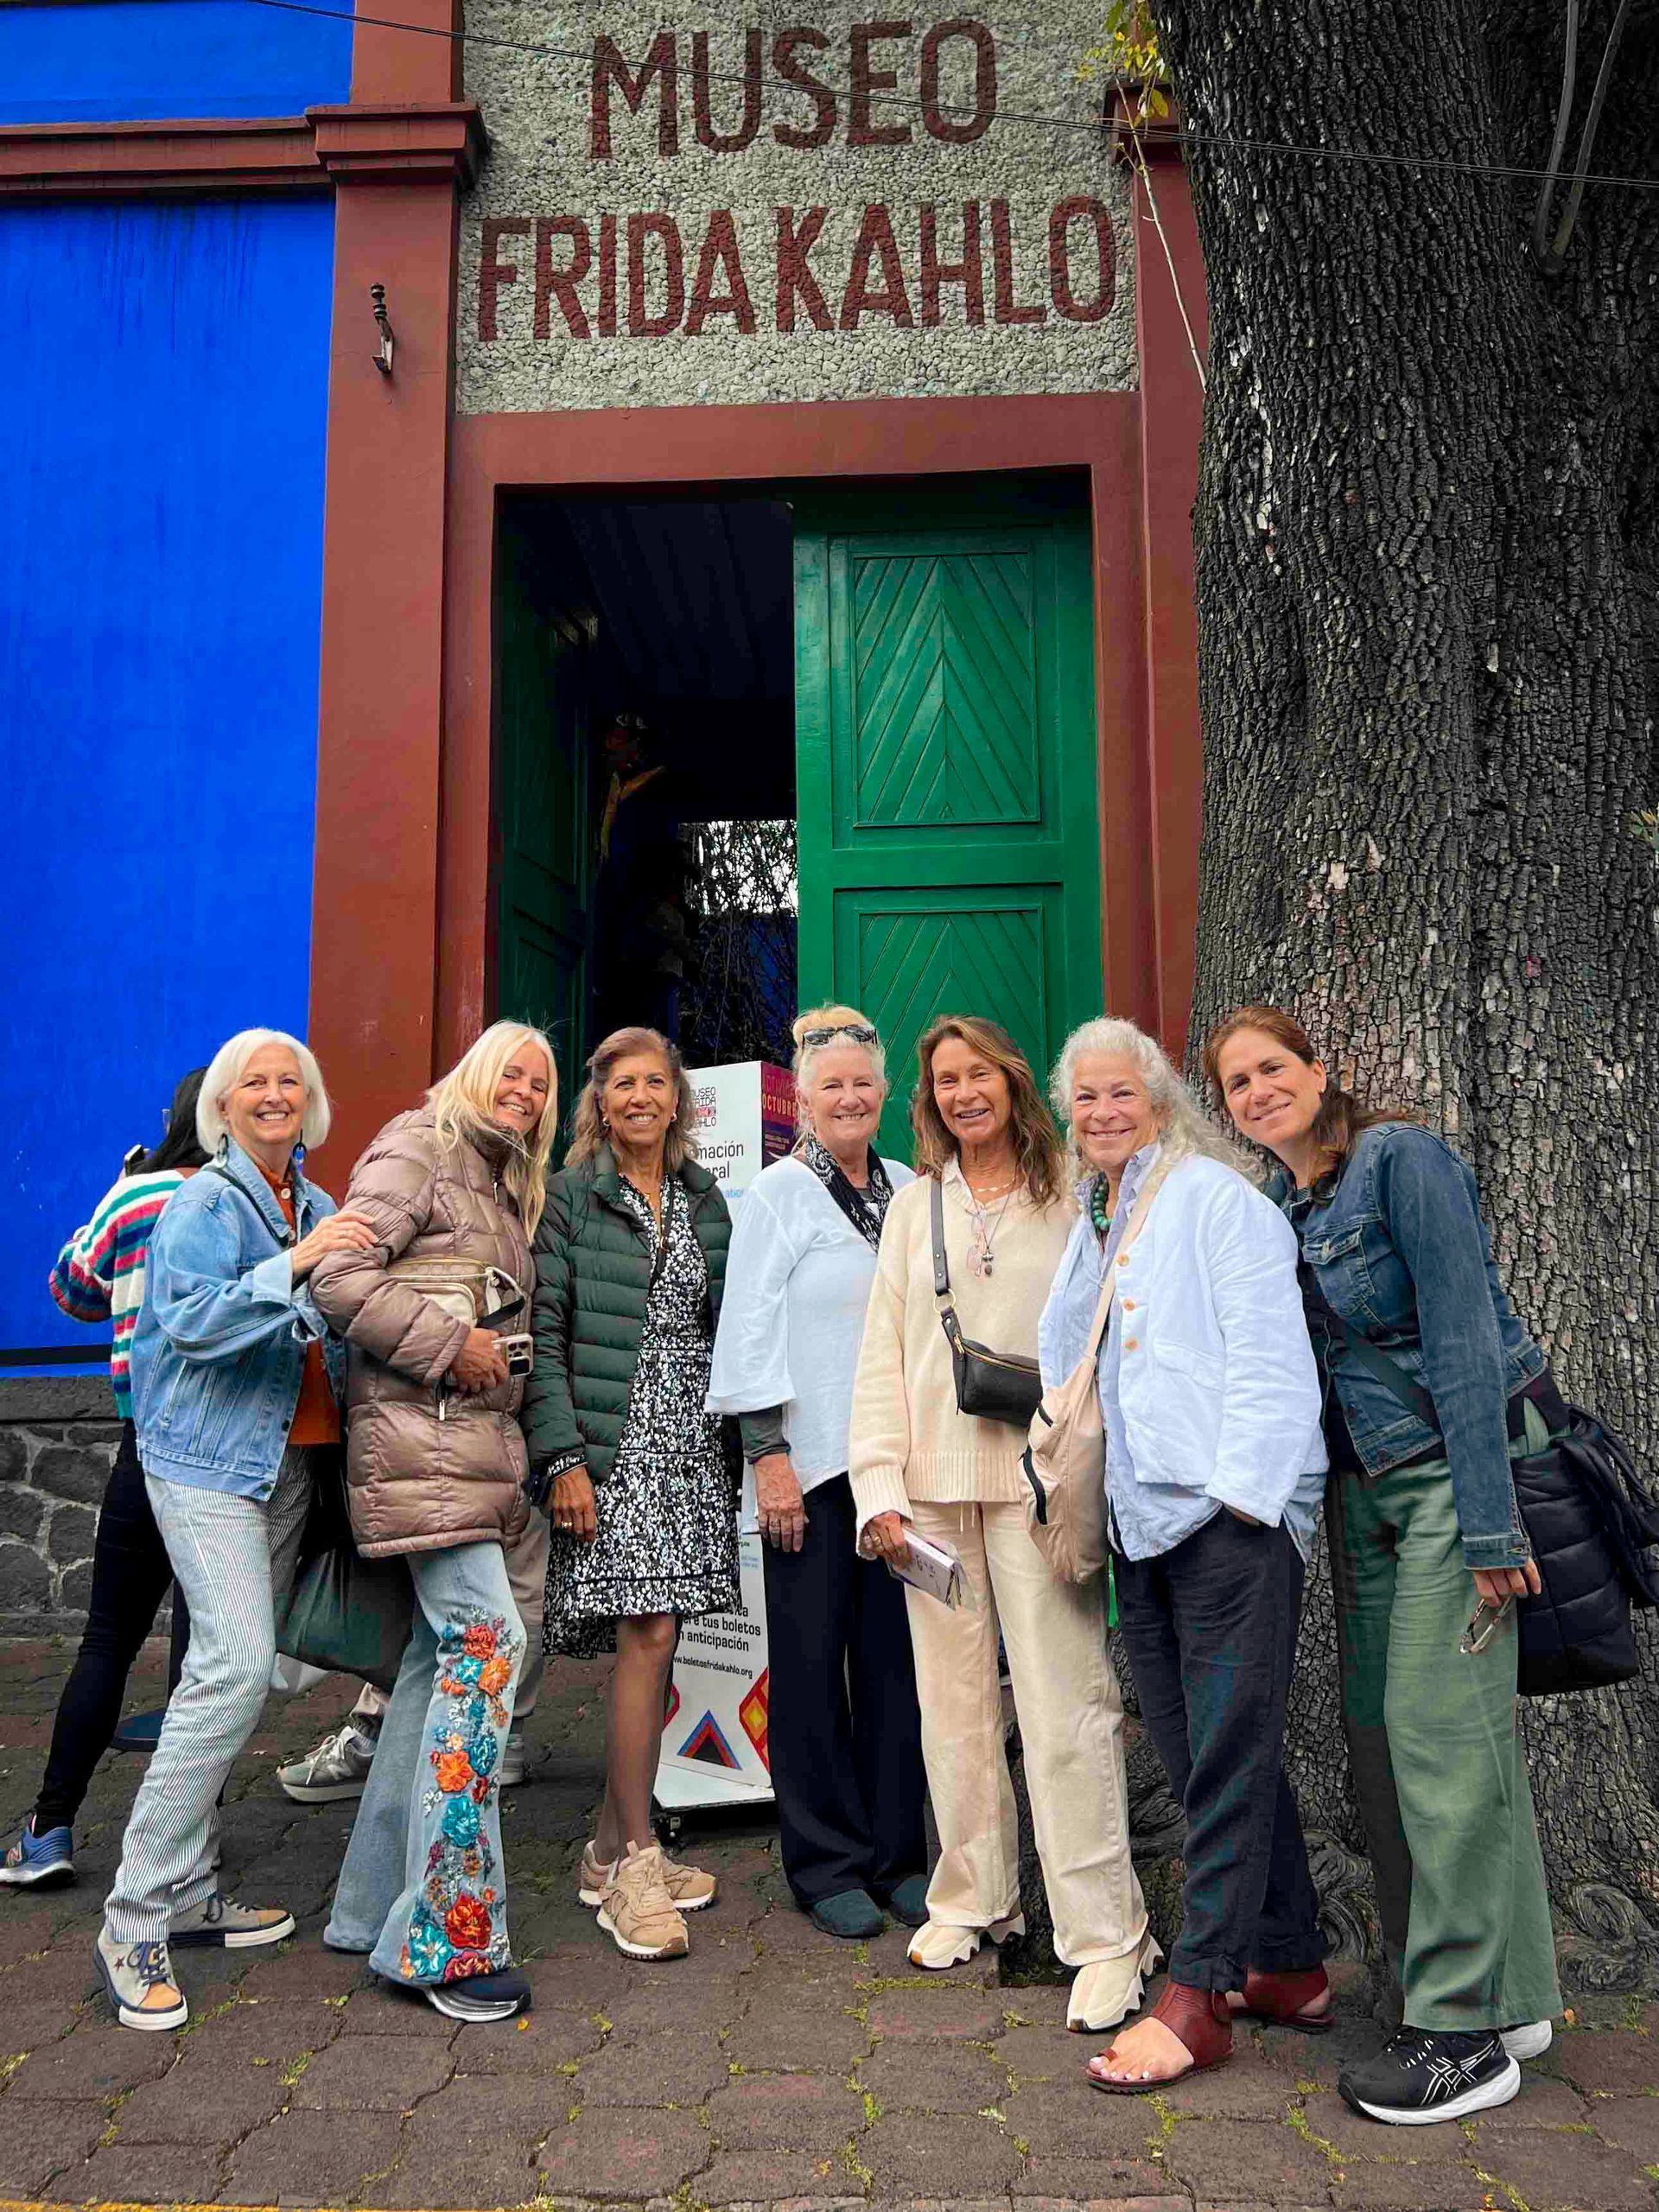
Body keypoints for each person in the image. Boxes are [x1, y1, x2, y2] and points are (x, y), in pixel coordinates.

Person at [1206, 1004, 1562, 2126]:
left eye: (1273, 1069)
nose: (1257, 1092)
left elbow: (1461, 1335)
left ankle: (1463, 2040)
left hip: (1455, 1482)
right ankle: (1488, 1990)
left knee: (1438, 1738)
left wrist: (1495, 1526)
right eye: (1235, 1084)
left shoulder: (1401, 1163)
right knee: (1384, 1741)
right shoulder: (1278, 1207)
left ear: (1321, 1072)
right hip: (1363, 1503)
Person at [1039, 1020, 1330, 2094]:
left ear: (1159, 1102)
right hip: (1136, 1521)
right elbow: (1067, 1353)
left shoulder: (1218, 1200)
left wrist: (1244, 1504)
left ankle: (1199, 1995)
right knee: (1202, 1743)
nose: (1105, 1114)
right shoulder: (1100, 1213)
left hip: (1226, 1519)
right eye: (1087, 1101)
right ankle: (1291, 1962)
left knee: (1224, 1756)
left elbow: (1271, 1358)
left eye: (1123, 1095)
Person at [849, 1015, 1154, 2033]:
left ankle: (1107, 1935)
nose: (962, 1093)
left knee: (1068, 1708)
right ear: (929, 1101)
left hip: (1035, 1485)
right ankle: (972, 1895)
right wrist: (877, 1491)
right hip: (930, 1495)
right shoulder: (913, 1206)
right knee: (955, 1711)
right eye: (944, 1081)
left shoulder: (1069, 1191)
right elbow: (883, 1356)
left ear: (1011, 1081)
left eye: (977, 1073)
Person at [95, 1030, 375, 2032]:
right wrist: (299, 1265)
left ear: (310, 1102)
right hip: (205, 1462)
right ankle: (133, 1914)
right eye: (252, 1082)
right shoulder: (205, 1202)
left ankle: (189, 1884)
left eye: (288, 1081)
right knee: (232, 1666)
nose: (273, 1094)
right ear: (221, 1105)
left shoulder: (321, 1202)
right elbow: (193, 1323)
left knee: (244, 1667)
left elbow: (346, 1321)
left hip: (287, 1464)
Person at [312, 1021, 558, 2023]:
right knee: (488, 1643)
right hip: (422, 1456)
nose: (529, 1093)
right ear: (476, 1071)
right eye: (516, 1072)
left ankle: (368, 1908)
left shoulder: (499, 1184)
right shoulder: (421, 1145)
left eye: (542, 1084)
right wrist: (452, 1343)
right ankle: (440, 1938)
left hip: (462, 1462)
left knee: (430, 1668)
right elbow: (336, 1278)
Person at [706, 1006, 926, 1938]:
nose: (847, 1096)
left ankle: (900, 1854)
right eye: (829, 1083)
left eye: (862, 1084)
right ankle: (823, 1861)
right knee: (805, 1665)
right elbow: (746, 1326)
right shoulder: (776, 1195)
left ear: (885, 1097)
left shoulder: (912, 1188)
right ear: (803, 1095)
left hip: (896, 1464)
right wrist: (769, 1458)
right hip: (809, 1461)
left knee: (894, 1666)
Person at [523, 1026, 738, 1963]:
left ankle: (607, 1849)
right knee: (645, 1633)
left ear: (678, 1100)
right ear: (600, 1105)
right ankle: (636, 1857)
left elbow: (734, 1321)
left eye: (657, 1081)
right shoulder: (569, 1199)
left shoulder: (704, 1197)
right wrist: (561, 1456)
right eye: (623, 1084)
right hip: (613, 1448)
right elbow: (545, 1330)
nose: (641, 1096)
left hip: (690, 1445)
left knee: (665, 1633)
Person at [0, 1070, 209, 1889]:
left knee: (108, 1639)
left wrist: (115, 1192)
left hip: (143, 1442)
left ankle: (50, 1828)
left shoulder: (137, 1195)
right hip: (230, 1456)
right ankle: (187, 1851)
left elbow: (71, 1292)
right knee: (206, 1658)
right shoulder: (264, 1202)